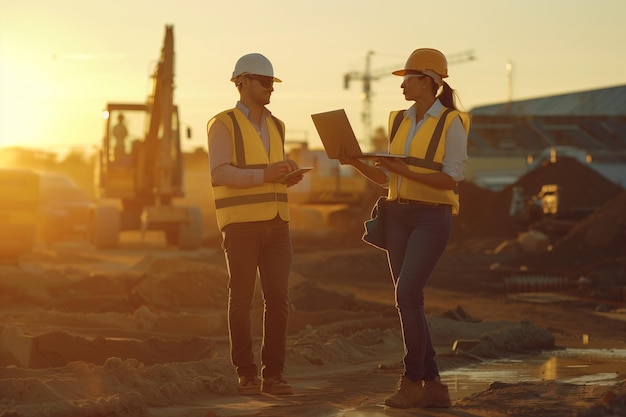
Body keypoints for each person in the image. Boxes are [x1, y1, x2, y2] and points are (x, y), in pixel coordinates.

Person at [338, 48, 470, 409]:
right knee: (410, 300)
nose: (402, 85)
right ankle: (434, 386)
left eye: (408, 78)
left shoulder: (451, 123)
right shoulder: (399, 121)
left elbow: (450, 179)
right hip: (397, 214)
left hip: (432, 217)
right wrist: (354, 162)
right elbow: (386, 178)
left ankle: (412, 380)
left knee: (406, 294)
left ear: (428, 81)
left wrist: (400, 170)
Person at [206, 53, 303, 396]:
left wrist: (285, 175)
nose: (270, 89)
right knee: (242, 300)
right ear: (243, 81)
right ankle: (245, 372)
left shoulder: (277, 125)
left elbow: (269, 170)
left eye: (272, 83)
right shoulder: (223, 124)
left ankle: (273, 375)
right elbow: (219, 174)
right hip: (242, 226)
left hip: (277, 225)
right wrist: (265, 175)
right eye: (264, 82)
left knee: (278, 300)